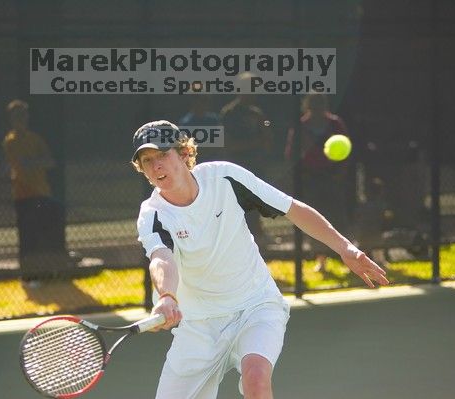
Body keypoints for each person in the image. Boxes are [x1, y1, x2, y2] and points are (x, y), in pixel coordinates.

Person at [131, 120, 388, 399]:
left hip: (255, 305)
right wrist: (167, 295)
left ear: (183, 154)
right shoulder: (152, 214)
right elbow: (161, 258)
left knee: (256, 377)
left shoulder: (226, 178)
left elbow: (292, 209)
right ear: (142, 169)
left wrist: (345, 248)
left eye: (163, 155)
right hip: (199, 324)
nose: (156, 166)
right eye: (147, 160)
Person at [285, 93, 351, 273]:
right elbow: (291, 154)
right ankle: (321, 260)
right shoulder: (301, 126)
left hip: (332, 177)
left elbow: (346, 153)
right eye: (314, 103)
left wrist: (340, 173)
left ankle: (347, 259)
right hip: (311, 179)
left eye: (321, 103)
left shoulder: (335, 124)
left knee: (338, 218)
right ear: (308, 105)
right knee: (314, 220)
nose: (317, 107)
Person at [2, 99, 62, 284]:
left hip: (41, 194)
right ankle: (28, 276)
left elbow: (49, 161)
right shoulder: (10, 141)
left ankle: (45, 274)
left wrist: (34, 162)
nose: (21, 119)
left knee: (42, 237)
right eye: (16, 116)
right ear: (11, 119)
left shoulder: (35, 139)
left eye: (23, 115)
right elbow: (21, 164)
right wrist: (34, 162)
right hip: (23, 196)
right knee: (27, 239)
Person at [220, 74, 273, 248]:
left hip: (256, 166)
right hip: (236, 166)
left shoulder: (257, 113)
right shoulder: (229, 113)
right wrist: (254, 143)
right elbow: (229, 145)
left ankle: (258, 236)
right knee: (237, 204)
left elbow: (267, 140)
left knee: (256, 203)